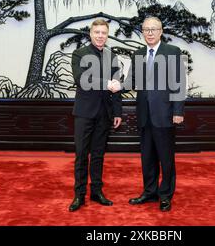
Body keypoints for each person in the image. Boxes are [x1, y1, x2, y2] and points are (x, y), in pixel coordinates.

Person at [109, 16, 186, 212]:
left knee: (166, 158)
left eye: (154, 29)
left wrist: (178, 111)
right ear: (142, 32)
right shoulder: (138, 54)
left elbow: (179, 83)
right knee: (147, 157)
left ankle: (165, 195)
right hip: (144, 114)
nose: (150, 33)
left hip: (165, 113)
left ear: (161, 31)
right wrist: (118, 85)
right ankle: (149, 192)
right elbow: (132, 80)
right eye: (146, 29)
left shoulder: (172, 52)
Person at [69, 19, 122, 212]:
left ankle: (97, 191)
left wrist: (117, 112)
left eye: (104, 33)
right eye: (97, 32)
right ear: (90, 34)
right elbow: (81, 79)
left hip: (105, 114)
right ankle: (79, 195)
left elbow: (116, 86)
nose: (100, 35)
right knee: (82, 155)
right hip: (84, 112)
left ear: (107, 35)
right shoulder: (79, 54)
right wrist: (106, 83)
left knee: (99, 155)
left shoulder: (111, 56)